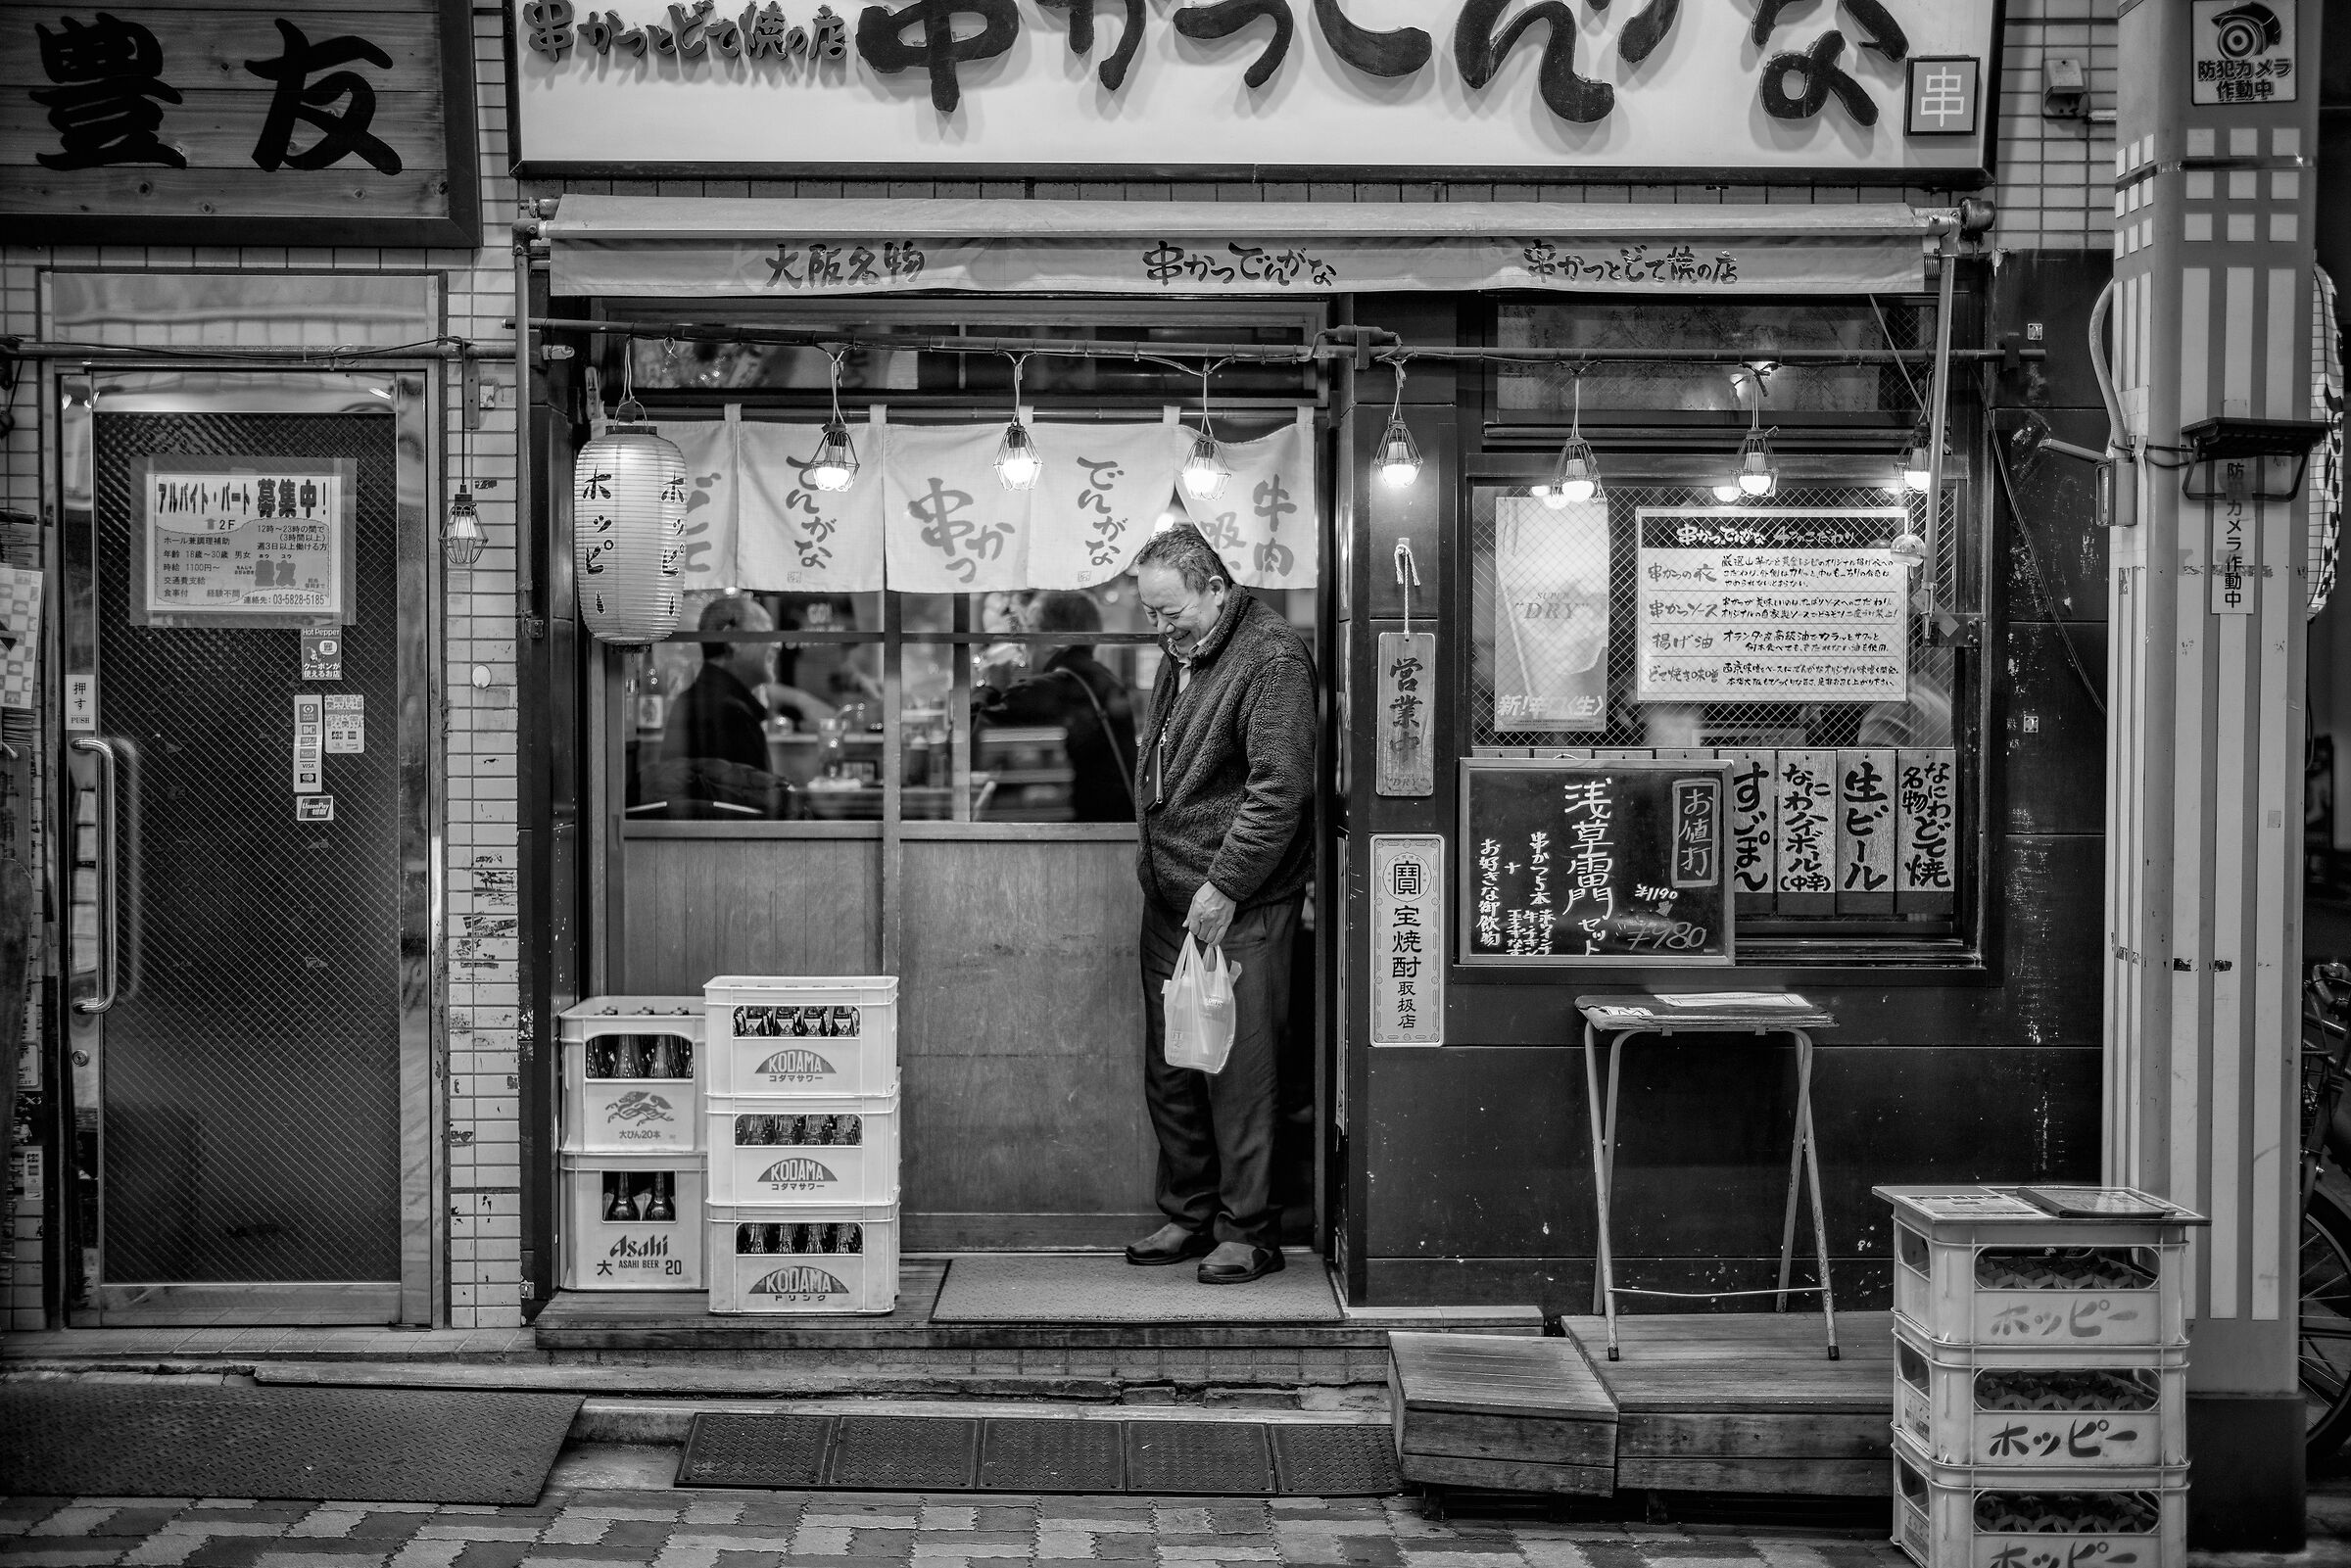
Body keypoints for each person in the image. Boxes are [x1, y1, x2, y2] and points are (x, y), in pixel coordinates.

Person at [1125, 525, 1316, 1286]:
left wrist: (1226, 883)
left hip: (1242, 903)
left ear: (1214, 586)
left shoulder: (1270, 657)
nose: (1161, 628)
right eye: (1150, 614)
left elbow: (1279, 791)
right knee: (1173, 1064)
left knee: (1242, 1070)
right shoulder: (1187, 650)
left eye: (1170, 612)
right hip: (1173, 899)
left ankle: (1249, 1228)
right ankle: (1190, 1210)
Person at [973, 592, 1138, 823]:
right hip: (1110, 824)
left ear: (1055, 640)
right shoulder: (1103, 679)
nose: (1023, 642)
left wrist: (989, 687)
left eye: (1030, 629)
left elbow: (967, 748)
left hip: (1081, 832)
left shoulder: (1049, 689)